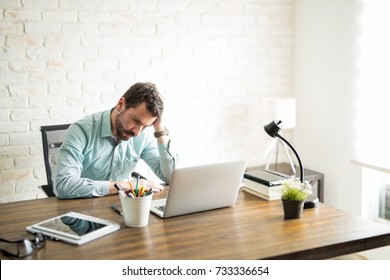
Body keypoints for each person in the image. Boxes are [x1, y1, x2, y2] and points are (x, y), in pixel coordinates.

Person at [55, 82, 178, 199]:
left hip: (123, 209)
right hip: (84, 210)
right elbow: (65, 185)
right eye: (135, 120)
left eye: (146, 126)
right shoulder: (80, 131)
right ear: (120, 104)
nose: (137, 132)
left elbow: (170, 177)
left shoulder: (142, 136)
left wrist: (160, 129)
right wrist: (126, 186)